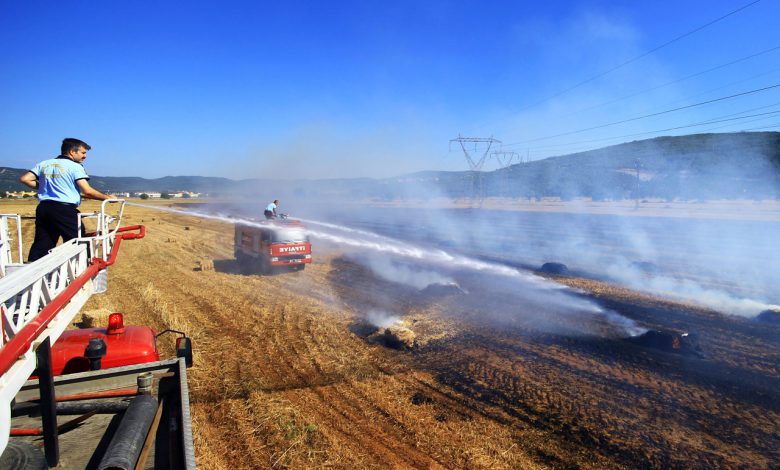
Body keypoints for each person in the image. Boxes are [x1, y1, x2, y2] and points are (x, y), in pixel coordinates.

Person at [19, 138, 113, 262]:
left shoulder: (44, 163)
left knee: (43, 242)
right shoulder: (75, 166)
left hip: (44, 208)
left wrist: (44, 187)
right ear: (72, 152)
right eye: (83, 153)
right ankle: (82, 268)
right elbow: (87, 191)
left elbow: (25, 179)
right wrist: (108, 198)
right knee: (78, 240)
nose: (85, 156)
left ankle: (32, 268)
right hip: (64, 209)